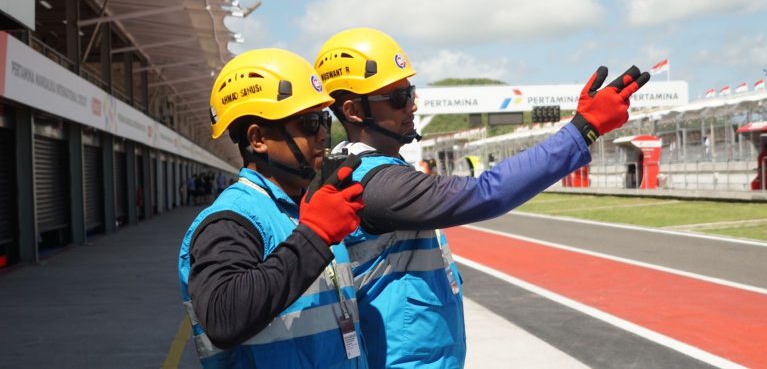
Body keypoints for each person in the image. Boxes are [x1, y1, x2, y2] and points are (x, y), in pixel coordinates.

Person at [314, 27, 649, 369]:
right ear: (354, 111)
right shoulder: (376, 185)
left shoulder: (366, 170)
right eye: (398, 97)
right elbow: (487, 192)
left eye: (410, 91)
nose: (412, 104)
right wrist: (584, 128)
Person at [178, 48, 368, 368]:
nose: (323, 133)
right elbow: (224, 316)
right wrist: (316, 236)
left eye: (323, 119)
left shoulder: (300, 210)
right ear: (258, 139)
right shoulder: (230, 221)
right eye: (309, 123)